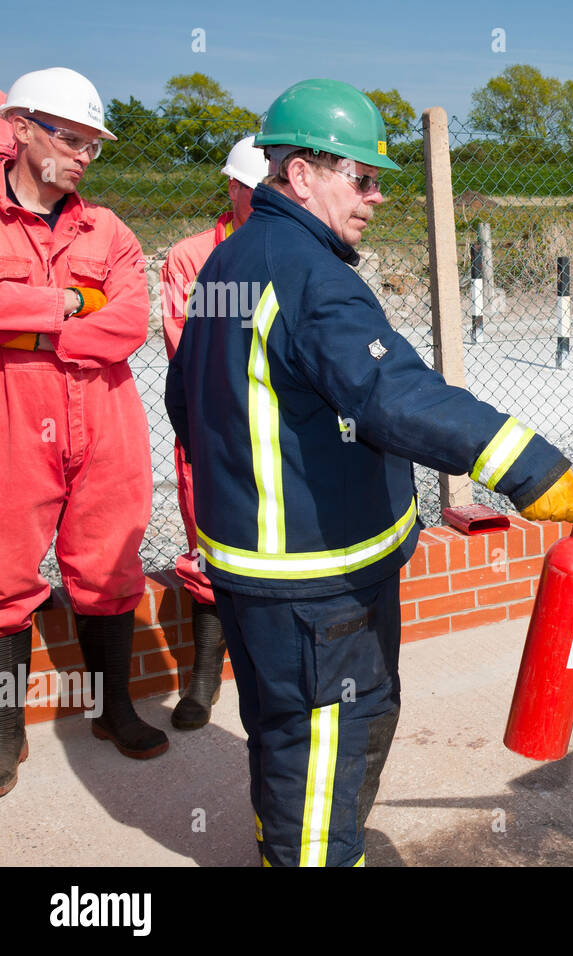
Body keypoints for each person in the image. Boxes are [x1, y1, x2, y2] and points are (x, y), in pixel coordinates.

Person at [165, 78, 573, 866]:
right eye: (360, 177)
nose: (376, 196)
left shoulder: (228, 260)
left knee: (285, 736)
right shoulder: (311, 275)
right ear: (301, 175)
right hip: (316, 584)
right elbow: (391, 392)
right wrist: (523, 463)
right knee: (330, 745)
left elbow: (186, 401)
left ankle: (280, 848)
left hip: (249, 570)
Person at [0, 67, 168, 798]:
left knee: (109, 563)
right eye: (72, 138)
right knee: (3, 571)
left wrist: (30, 326)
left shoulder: (110, 230)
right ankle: (6, 733)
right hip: (13, 414)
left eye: (94, 146)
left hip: (104, 414)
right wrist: (71, 300)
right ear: (21, 128)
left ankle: (112, 711)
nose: (84, 156)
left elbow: (130, 322)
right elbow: (96, 311)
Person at [160, 135, 268, 730]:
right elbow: (188, 350)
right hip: (211, 431)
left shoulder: (299, 248)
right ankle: (204, 677)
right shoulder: (192, 257)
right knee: (210, 548)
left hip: (281, 433)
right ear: (233, 188)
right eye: (256, 192)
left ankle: (266, 665)